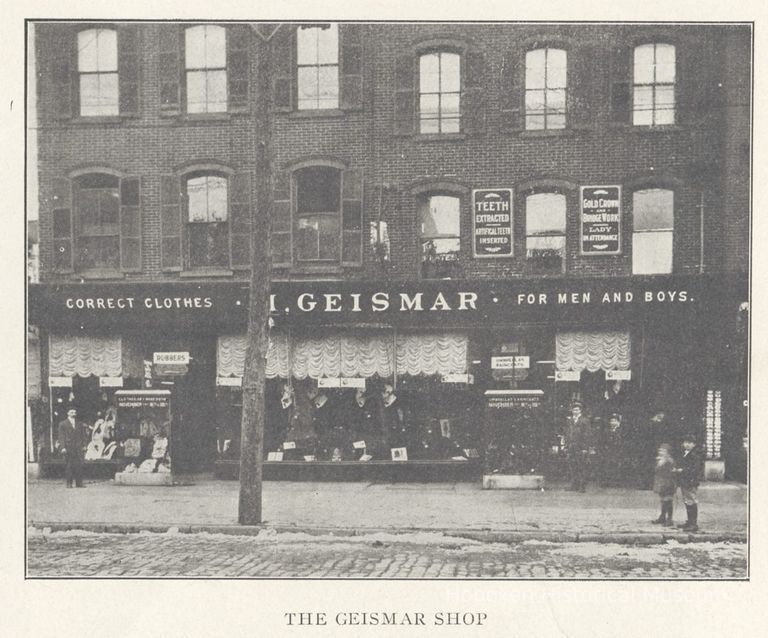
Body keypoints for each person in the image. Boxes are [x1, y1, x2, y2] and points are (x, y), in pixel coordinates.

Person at [673, 432, 705, 532]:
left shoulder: (695, 455)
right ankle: (689, 522)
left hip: (691, 481)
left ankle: (693, 523)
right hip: (685, 480)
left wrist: (682, 470)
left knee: (691, 500)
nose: (687, 444)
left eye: (690, 443)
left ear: (694, 444)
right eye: (685, 442)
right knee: (687, 500)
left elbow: (694, 469)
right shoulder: (687, 454)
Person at [564, 401, 593, 492]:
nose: (575, 411)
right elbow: (567, 433)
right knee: (572, 466)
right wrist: (566, 445)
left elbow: (587, 435)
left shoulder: (585, 420)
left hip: (580, 447)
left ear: (580, 411)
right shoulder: (570, 420)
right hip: (571, 446)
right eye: (573, 410)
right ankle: (574, 485)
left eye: (577, 410)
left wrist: (585, 448)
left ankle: (582, 486)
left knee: (581, 466)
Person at [57, 407, 87, 488]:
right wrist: (63, 447)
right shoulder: (63, 424)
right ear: (68, 413)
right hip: (68, 447)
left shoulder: (79, 424)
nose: (73, 413)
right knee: (69, 466)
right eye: (71, 412)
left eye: (74, 412)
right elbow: (61, 437)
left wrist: (84, 445)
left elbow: (83, 435)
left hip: (78, 447)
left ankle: (79, 483)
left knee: (79, 465)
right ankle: (69, 483)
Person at [651, 443, 676, 526]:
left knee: (668, 500)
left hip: (668, 483)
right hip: (661, 483)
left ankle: (669, 519)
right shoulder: (659, 460)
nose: (661, 452)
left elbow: (671, 473)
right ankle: (662, 517)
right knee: (663, 500)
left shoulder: (669, 461)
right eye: (660, 450)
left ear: (668, 452)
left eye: (663, 450)